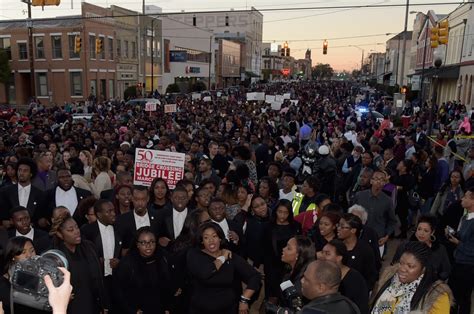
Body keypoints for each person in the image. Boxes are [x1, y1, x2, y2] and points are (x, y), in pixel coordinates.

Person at [186, 222, 260, 314]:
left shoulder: (230, 255)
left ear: (220, 238)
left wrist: (244, 299)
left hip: (228, 309)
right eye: (206, 237)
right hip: (200, 309)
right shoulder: (194, 254)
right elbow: (205, 272)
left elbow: (254, 276)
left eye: (214, 236)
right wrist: (222, 258)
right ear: (202, 241)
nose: (211, 241)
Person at [371, 241, 453, 314]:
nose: (402, 269)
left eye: (410, 266)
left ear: (423, 269)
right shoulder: (390, 278)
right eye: (401, 263)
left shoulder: (436, 297)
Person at [50, 214, 109, 314]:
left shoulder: (89, 247)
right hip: (72, 307)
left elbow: (99, 278)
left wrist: (103, 304)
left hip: (93, 304)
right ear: (60, 234)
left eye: (77, 227)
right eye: (70, 230)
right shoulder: (56, 256)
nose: (77, 232)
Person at [115, 226, 170, 314]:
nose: (148, 246)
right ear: (137, 244)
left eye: (152, 242)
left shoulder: (163, 257)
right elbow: (119, 292)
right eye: (143, 242)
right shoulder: (127, 263)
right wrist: (132, 310)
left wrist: (168, 307)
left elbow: (168, 285)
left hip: (160, 309)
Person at [80, 199, 121, 311]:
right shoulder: (87, 230)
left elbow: (126, 250)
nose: (113, 214)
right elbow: (82, 255)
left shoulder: (120, 227)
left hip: (116, 279)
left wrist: (120, 261)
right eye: (109, 211)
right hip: (97, 281)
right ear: (99, 214)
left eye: (113, 210)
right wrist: (96, 261)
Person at [264, 200, 301, 303]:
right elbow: (263, 248)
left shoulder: (296, 226)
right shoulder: (268, 226)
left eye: (285, 212)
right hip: (272, 267)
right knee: (272, 297)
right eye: (280, 211)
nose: (282, 215)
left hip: (289, 268)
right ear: (275, 211)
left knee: (288, 298)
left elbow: (299, 247)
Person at [353, 169, 397, 256]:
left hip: (378, 239)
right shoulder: (359, 196)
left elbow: (392, 221)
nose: (379, 181)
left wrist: (386, 236)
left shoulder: (387, 201)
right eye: (376, 178)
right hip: (360, 237)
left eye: (382, 180)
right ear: (371, 181)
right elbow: (351, 216)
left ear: (385, 183)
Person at [0, 236, 48, 314]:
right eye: (23, 252)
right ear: (13, 256)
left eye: (32, 251)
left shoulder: (41, 277)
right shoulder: (3, 285)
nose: (29, 255)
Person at [319, 239, 369, 314]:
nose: (322, 257)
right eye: (322, 253)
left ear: (339, 258)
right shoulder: (320, 274)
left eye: (327, 254)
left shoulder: (355, 279)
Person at [447, 185, 474, 314]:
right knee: (452, 296)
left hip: (468, 267)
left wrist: (458, 243)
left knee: (463, 299)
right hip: (457, 262)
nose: (462, 199)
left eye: (465, 197)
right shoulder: (465, 217)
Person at [0, 158, 46, 228]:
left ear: (31, 174)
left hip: (32, 233)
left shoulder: (40, 194)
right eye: (19, 170)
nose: (21, 173)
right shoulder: (5, 192)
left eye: (25, 171)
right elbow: (3, 217)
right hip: (11, 233)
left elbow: (39, 219)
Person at [337, 213, 377, 290]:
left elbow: (371, 276)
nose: (338, 228)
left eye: (342, 227)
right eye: (338, 225)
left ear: (353, 230)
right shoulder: (336, 245)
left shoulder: (365, 249)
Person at [115, 185, 157, 255]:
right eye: (137, 199)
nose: (140, 203)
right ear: (132, 199)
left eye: (143, 199)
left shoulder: (158, 217)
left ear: (148, 199)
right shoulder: (121, 220)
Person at [278, 235, 315, 306]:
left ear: (298, 255)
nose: (283, 249)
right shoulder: (288, 271)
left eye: (288, 248)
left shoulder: (302, 282)